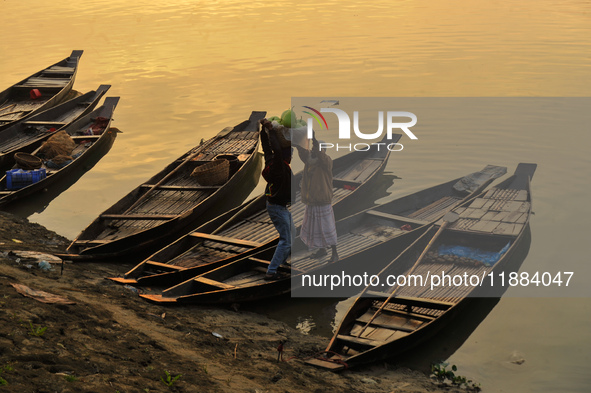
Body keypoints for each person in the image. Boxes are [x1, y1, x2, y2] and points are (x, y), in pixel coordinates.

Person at [260, 119, 293, 280]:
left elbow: (267, 148)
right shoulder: (279, 167)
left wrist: (263, 132)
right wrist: (271, 131)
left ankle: (284, 260)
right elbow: (277, 150)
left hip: (278, 205)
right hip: (277, 207)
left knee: (291, 234)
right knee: (286, 239)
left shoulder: (270, 163)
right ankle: (271, 271)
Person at [295, 137, 338, 263]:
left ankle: (335, 253)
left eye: (315, 150)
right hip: (312, 201)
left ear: (321, 151)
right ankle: (322, 250)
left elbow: (320, 154)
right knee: (315, 228)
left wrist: (314, 140)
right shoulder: (309, 162)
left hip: (323, 201)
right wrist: (298, 143)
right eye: (312, 150)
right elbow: (304, 154)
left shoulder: (326, 162)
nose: (312, 152)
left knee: (327, 228)